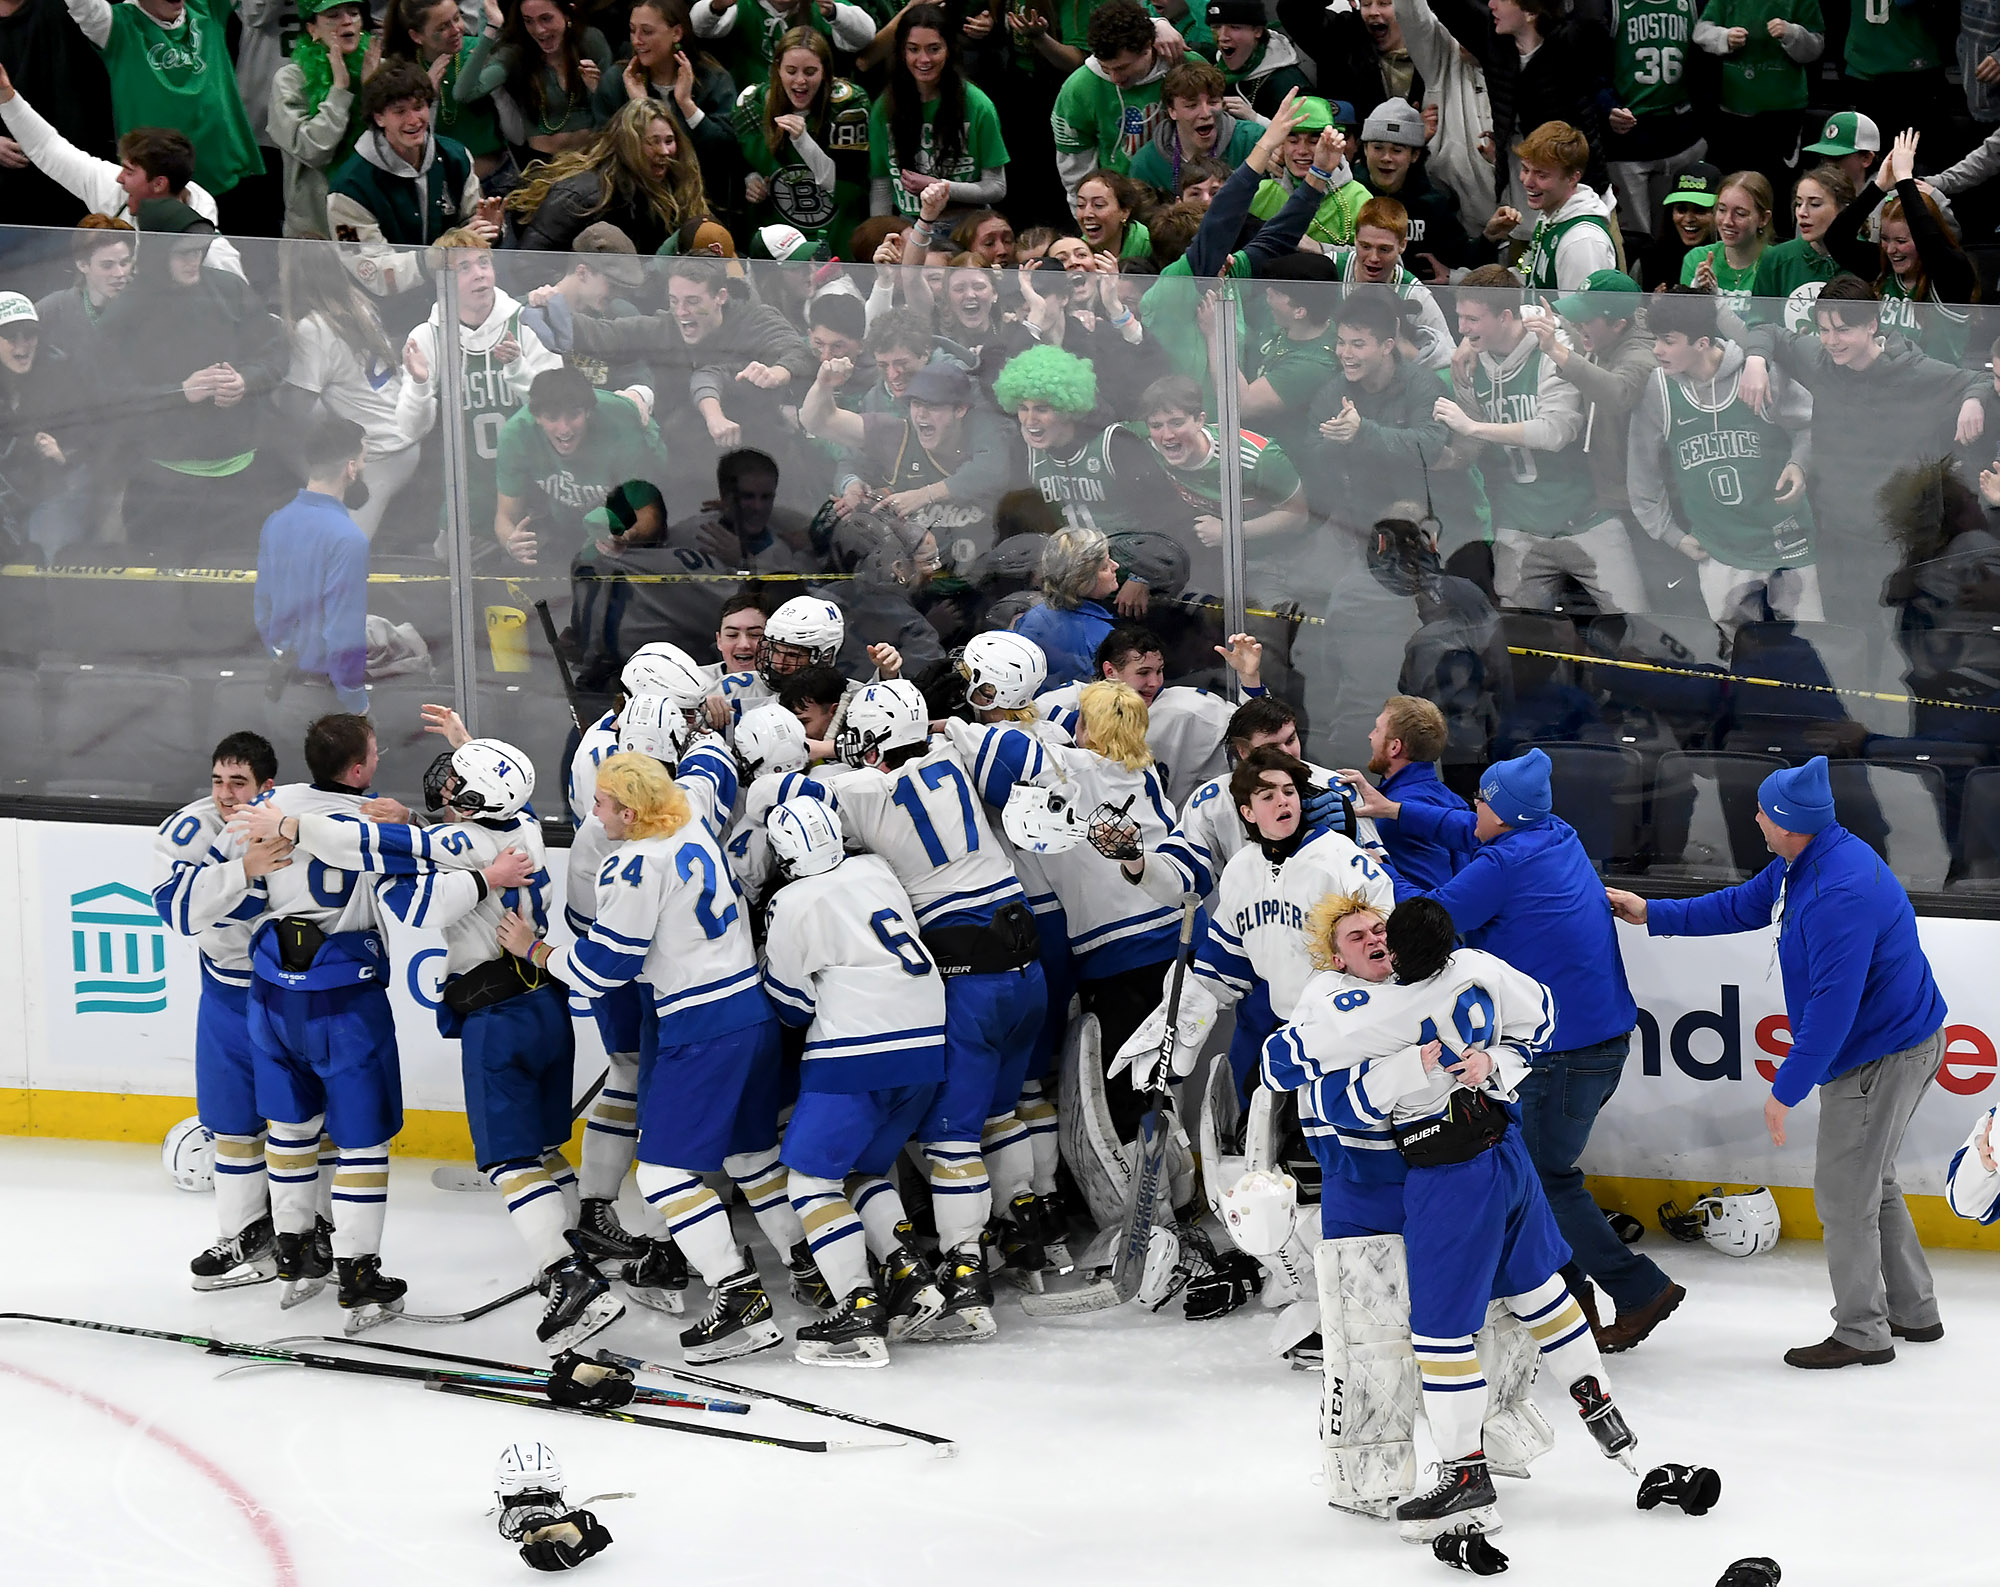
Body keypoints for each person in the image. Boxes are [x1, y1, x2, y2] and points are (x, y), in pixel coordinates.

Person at [1302, 897, 1637, 1539]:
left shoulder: (1369, 1011)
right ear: (1335, 954)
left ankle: (1465, 1474)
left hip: (1447, 1176)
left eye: (1380, 930)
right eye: (1357, 935)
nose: (1373, 940)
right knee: (1536, 1288)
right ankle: (1600, 1407)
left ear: (1398, 947)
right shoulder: (1475, 966)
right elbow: (1540, 1016)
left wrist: (1417, 1068)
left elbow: (1292, 1064)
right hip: (1493, 1153)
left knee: (1439, 1335)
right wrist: (1496, 1064)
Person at [1608, 755, 1949, 1368]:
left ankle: (1864, 1333)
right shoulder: (1809, 860)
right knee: (1873, 1181)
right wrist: (1652, 913)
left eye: (1763, 811)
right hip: (1901, 1040)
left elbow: (1832, 1009)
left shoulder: (1836, 892)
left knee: (1845, 1198)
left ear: (1789, 822)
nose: (1756, 818)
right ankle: (1914, 1312)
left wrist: (1785, 1088)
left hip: (1879, 1056)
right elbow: (1743, 904)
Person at [1343, 747, 1684, 1353]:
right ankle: (1569, 1291)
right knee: (1530, 1172)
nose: (1473, 807)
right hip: (1601, 1041)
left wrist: (1372, 860)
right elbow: (1466, 828)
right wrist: (1394, 810)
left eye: (1481, 799)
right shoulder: (1555, 833)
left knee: (1543, 1178)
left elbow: (1426, 920)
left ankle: (1636, 1291)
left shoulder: (1504, 864)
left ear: (1501, 812)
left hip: (1564, 1054)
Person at [505, 749, 804, 1363]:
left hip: (702, 1028)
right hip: (751, 1011)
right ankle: (813, 1264)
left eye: (603, 803)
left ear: (632, 810)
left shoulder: (635, 863)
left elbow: (602, 972)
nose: (594, 813)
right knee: (751, 1156)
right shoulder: (688, 819)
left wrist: (537, 951)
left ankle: (739, 1293)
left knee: (663, 1175)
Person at [794, 679, 1049, 1340]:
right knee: (1003, 1109)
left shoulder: (860, 791)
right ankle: (1027, 1231)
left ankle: (967, 1275)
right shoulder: (955, 751)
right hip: (1029, 962)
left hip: (968, 976)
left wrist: (809, 750)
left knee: (951, 1139)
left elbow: (800, 813)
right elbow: (1018, 754)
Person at [215, 714, 408, 1325]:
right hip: (343, 1002)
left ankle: (294, 1255)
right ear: (359, 767)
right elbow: (429, 862)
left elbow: (228, 866)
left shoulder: (270, 803)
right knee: (362, 1142)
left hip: (271, 997)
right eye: (373, 751)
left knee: (291, 1130)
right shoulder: (370, 819)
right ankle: (358, 1272)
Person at [760, 796, 949, 1360]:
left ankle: (857, 1307)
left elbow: (790, 1002)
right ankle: (910, 1272)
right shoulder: (874, 868)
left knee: (810, 1184)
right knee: (865, 1171)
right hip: (926, 1043)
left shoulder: (790, 901)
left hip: (856, 1051)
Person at [1739, 274, 1986, 644]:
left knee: (1894, 643)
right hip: (1836, 535)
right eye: (1824, 329)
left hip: (1896, 543)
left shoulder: (1915, 373)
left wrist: (1973, 401)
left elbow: (1976, 379)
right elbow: (1770, 332)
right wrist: (1756, 361)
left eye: (1842, 330)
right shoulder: (1820, 359)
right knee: (1845, 638)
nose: (1831, 341)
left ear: (1872, 325)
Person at [152, 732, 298, 1293]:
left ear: (267, 785)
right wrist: (241, 868)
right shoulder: (189, 829)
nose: (225, 793)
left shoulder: (294, 818)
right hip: (223, 993)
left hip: (289, 990)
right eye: (218, 780)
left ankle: (315, 1235)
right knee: (232, 1122)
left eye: (239, 782)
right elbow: (179, 913)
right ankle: (242, 1235)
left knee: (305, 1121)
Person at [1435, 266, 1647, 616]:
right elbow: (1477, 445)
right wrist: (1450, 456)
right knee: (1516, 637)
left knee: (1638, 626)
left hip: (1587, 517)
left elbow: (1556, 431)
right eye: (1460, 318)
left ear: (1505, 316)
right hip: (1519, 524)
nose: (1462, 328)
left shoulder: (1553, 348)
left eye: (1472, 319)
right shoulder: (1468, 363)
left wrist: (1473, 427)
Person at [1627, 286, 1818, 646]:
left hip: (1786, 543)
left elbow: (1811, 425)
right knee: (1738, 658)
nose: (1656, 350)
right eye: (1655, 339)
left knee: (1810, 653)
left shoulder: (1758, 372)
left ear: (1701, 342)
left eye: (1668, 341)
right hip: (1720, 550)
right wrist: (1673, 536)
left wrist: (1799, 463)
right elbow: (1642, 476)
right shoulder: (1658, 389)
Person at [99, 201, 288, 562]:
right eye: (182, 253)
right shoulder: (126, 313)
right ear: (156, 252)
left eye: (199, 252)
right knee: (165, 594)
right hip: (164, 487)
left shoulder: (230, 289)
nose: (193, 261)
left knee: (235, 586)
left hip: (242, 478)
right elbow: (110, 398)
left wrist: (246, 380)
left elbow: (275, 353)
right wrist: (180, 392)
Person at [397, 229, 564, 559]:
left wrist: (518, 368)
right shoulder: (428, 335)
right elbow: (409, 430)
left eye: (484, 263)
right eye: (465, 268)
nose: (480, 274)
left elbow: (560, 408)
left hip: (537, 492)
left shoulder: (527, 322)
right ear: (442, 280)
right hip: (467, 498)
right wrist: (419, 386)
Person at [567, 255, 814, 460]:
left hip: (755, 451)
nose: (682, 312)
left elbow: (799, 352)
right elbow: (606, 335)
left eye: (693, 302)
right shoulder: (663, 327)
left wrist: (776, 373)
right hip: (682, 461)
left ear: (720, 297)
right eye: (675, 301)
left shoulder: (754, 319)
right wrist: (549, 309)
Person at [278, 244, 426, 546]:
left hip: (377, 456)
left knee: (340, 550)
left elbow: (297, 407)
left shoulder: (314, 327)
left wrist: (266, 393)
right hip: (403, 438)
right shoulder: (359, 303)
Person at [1295, 288, 1451, 543]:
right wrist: (1337, 440)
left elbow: (1431, 445)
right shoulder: (1332, 393)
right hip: (1351, 519)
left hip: (1423, 521)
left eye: (1358, 344)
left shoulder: (1423, 385)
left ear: (1387, 346)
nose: (1345, 353)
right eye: (1341, 342)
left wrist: (1362, 432)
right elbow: (1312, 454)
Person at [61, 0, 260, 199]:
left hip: (224, 178)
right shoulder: (117, 25)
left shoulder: (207, 7)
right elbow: (83, 5)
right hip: (157, 189)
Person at [1824, 129, 1978, 368]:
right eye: (1885, 239)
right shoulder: (1882, 266)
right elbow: (1836, 240)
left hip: (1936, 391)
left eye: (1902, 241)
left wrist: (1906, 179)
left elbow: (1929, 241)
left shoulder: (1952, 274)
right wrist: (1879, 186)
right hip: (1886, 389)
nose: (1891, 249)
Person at [326, 59, 495, 271]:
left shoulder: (455, 156)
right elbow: (368, 267)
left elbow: (470, 222)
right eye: (400, 112)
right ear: (379, 117)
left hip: (454, 290)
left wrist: (489, 230)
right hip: (381, 302)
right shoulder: (348, 188)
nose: (414, 120)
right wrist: (429, 260)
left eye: (418, 107)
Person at [493, 365, 669, 567]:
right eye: (552, 418)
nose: (564, 429)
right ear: (537, 417)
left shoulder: (620, 421)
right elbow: (505, 517)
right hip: (560, 524)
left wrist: (627, 538)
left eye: (573, 415)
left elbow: (644, 507)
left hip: (624, 509)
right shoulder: (516, 435)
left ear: (588, 412)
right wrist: (511, 543)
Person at [803, 357, 1014, 525]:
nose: (921, 414)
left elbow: (992, 471)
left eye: (932, 405)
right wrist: (823, 383)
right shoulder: (897, 434)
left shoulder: (986, 429)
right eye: (915, 403)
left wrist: (924, 495)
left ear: (960, 409)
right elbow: (819, 421)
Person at [256, 417, 371, 716]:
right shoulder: (348, 539)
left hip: (278, 698)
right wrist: (357, 706)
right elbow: (343, 634)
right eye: (363, 459)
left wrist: (282, 657)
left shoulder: (275, 522)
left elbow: (263, 609)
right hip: (325, 706)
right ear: (350, 468)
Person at [505, 96, 704, 253]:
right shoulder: (583, 194)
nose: (664, 151)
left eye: (669, 141)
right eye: (652, 142)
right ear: (628, 145)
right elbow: (530, 260)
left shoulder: (675, 187)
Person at [735, 27, 869, 258]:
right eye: (791, 71)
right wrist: (752, 180)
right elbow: (741, 163)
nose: (800, 81)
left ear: (825, 72)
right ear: (777, 70)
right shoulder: (752, 104)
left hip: (836, 242)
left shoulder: (848, 106)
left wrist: (803, 141)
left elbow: (846, 192)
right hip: (777, 248)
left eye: (810, 72)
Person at [870, 5, 1007, 222]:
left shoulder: (978, 105)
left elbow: (996, 187)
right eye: (913, 49)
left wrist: (940, 188)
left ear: (949, 49)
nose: (924, 60)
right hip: (909, 224)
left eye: (934, 49)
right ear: (902, 52)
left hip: (967, 225)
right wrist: (880, 237)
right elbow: (881, 187)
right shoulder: (884, 107)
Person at [1692, 0, 1822, 214]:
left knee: (1777, 187)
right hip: (1734, 110)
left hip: (1782, 114)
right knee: (1736, 186)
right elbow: (1701, 31)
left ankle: (1776, 240)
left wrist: (1792, 33)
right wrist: (1723, 37)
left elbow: (1815, 47)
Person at [1051, 0, 1191, 195]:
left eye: (1122, 67)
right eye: (1106, 69)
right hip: (1119, 199)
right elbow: (1074, 164)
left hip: (1186, 193)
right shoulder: (1078, 88)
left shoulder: (1185, 66)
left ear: (1147, 48)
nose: (1115, 79)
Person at [1601, 0, 1703, 251]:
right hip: (1628, 146)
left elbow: (1709, 67)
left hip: (1684, 140)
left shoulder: (1693, 4)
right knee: (1633, 243)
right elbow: (1591, 70)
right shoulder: (1611, 6)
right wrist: (1606, 108)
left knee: (1681, 241)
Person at [0, 291, 94, 561]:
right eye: (10, 337)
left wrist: (65, 453)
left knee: (46, 545)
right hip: (9, 489)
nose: (22, 346)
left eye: (29, 335)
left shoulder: (62, 373)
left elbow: (96, 441)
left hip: (59, 484)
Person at [268, 0, 374, 239]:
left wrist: (373, 91)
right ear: (312, 29)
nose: (347, 20)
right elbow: (312, 150)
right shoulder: (290, 81)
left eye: (354, 13)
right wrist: (339, 91)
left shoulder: (377, 68)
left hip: (370, 222)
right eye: (333, 15)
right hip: (314, 232)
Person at [457, 0, 611, 160]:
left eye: (546, 19)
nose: (539, 30)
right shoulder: (515, 54)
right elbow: (464, 93)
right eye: (528, 21)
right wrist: (489, 32)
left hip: (593, 157)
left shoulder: (590, 41)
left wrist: (596, 90)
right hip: (543, 164)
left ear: (567, 14)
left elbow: (613, 114)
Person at [381, 0, 508, 184]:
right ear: (416, 36)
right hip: (441, 186)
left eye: (457, 18)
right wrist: (427, 99)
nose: (456, 29)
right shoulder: (403, 73)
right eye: (442, 28)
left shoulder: (479, 50)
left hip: (495, 177)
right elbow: (407, 145)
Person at [1361, 694, 1474, 889]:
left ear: (1395, 747)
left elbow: (1431, 892)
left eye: (1377, 729)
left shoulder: (1393, 814)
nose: (1370, 735)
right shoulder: (1453, 800)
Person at [1354, 97, 1471, 281]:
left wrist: (1488, 239)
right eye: (1378, 148)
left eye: (1397, 150)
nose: (1386, 157)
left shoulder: (1435, 203)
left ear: (1415, 155)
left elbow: (1463, 257)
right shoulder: (1346, 194)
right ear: (1366, 149)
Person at [1246, 94, 1373, 250]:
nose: (1302, 150)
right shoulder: (1258, 195)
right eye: (1293, 140)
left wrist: (1321, 250)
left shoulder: (1359, 199)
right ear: (1281, 144)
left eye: (1314, 141)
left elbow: (1386, 263)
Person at [1508, 120, 1619, 297]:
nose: (1527, 182)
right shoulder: (1549, 215)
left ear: (1572, 178)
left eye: (1541, 175)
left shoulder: (1582, 243)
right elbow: (1528, 275)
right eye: (1525, 169)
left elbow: (1583, 320)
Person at [1128, 58, 1258, 197]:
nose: (1206, 113)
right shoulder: (1147, 164)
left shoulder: (1253, 141)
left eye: (1213, 102)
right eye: (1191, 106)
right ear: (1172, 111)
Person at [1747, 162, 1853, 332]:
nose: (1802, 213)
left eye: (1815, 204)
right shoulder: (1776, 258)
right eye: (1798, 203)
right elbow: (1759, 326)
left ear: (1844, 210)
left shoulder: (1867, 260)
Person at [689, 0, 872, 96]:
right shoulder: (743, 4)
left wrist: (834, 12)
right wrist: (716, 6)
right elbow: (698, 26)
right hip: (750, 108)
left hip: (811, 108)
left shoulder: (820, 5)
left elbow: (864, 36)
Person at [33, 220, 133, 363]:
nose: (119, 273)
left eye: (124, 263)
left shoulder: (148, 306)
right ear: (82, 265)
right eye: (107, 265)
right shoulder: (52, 309)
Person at [1679, 169, 1774, 315]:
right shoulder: (1696, 258)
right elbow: (1684, 327)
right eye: (1722, 210)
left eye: (1740, 213)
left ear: (1763, 219)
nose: (1727, 221)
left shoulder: (1777, 263)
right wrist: (1695, 294)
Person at [1205, 0, 1310, 119]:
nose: (1222, 37)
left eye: (1234, 27)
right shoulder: (1212, 65)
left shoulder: (1288, 85)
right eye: (1216, 27)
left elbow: (1306, 135)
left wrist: (1256, 119)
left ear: (1258, 31)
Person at [1633, 161, 1719, 291]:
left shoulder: (1733, 258)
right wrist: (1651, 306)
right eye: (1681, 209)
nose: (1688, 219)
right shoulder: (1649, 261)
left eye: (1700, 210)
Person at [1073, 169, 1153, 260]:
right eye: (1081, 205)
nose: (1086, 214)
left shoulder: (1149, 246)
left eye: (1098, 205)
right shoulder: (1074, 254)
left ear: (1125, 211)